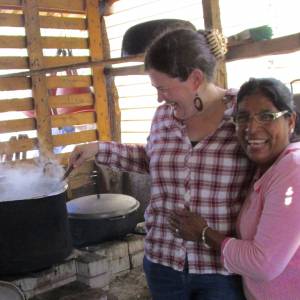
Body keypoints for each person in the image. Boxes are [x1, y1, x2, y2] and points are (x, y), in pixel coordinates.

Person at [68, 28, 255, 299]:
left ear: (195, 79)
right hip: (163, 261)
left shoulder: (244, 116)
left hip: (220, 270)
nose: (159, 98)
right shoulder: (164, 117)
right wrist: (98, 149)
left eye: (163, 88)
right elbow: (152, 159)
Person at [170, 77, 300, 300]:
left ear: (290, 121)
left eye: (266, 116)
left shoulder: (293, 171)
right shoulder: (267, 168)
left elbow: (263, 264)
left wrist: (203, 233)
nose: (251, 128)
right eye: (243, 118)